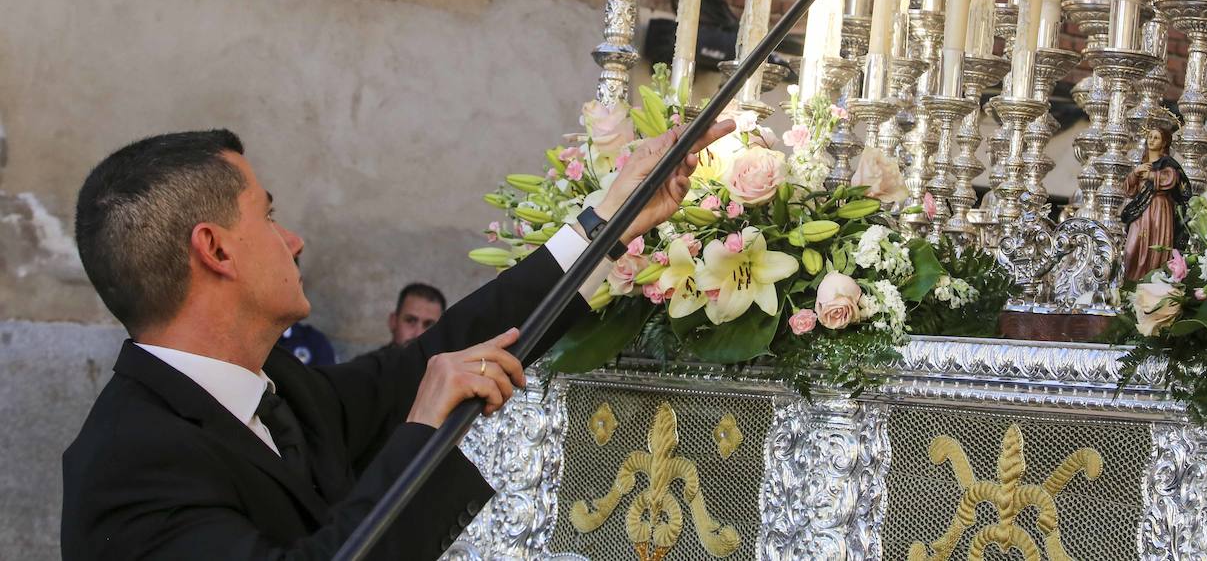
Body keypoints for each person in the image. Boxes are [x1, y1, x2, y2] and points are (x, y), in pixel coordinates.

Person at [61, 119, 729, 559]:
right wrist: (420, 430)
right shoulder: (128, 465)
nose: (292, 240)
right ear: (215, 251)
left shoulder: (283, 390)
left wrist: (608, 219)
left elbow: (438, 353)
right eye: (268, 216)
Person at [1121, 125, 1191, 281]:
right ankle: (1129, 281)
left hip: (1159, 209)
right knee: (1131, 248)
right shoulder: (1142, 164)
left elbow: (1171, 179)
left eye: (1156, 137)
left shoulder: (1168, 163)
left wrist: (1151, 175)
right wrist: (1135, 173)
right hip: (1141, 211)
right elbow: (1129, 190)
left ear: (1164, 143)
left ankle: (1150, 280)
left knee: (1155, 249)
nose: (1151, 140)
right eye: (1150, 136)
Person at [387, 282, 447, 349]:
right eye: (410, 321)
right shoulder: (374, 359)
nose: (418, 334)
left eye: (429, 325)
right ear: (393, 321)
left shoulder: (448, 358)